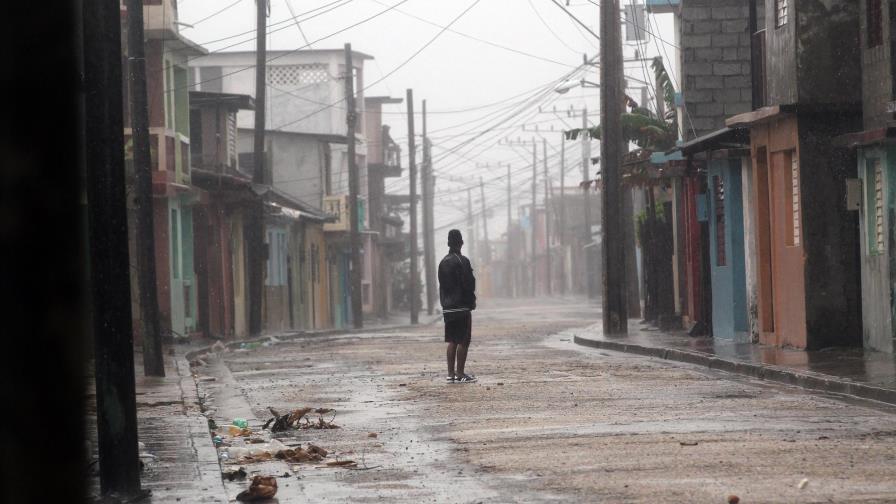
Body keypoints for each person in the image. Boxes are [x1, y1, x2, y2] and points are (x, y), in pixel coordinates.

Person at [438, 229, 477, 383]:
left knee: (452, 340)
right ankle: (460, 374)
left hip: (447, 308)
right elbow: (469, 284)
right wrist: (471, 302)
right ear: (461, 243)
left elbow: (442, 285)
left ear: (448, 243)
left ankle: (450, 374)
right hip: (461, 307)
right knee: (463, 341)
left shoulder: (442, 262)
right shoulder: (463, 261)